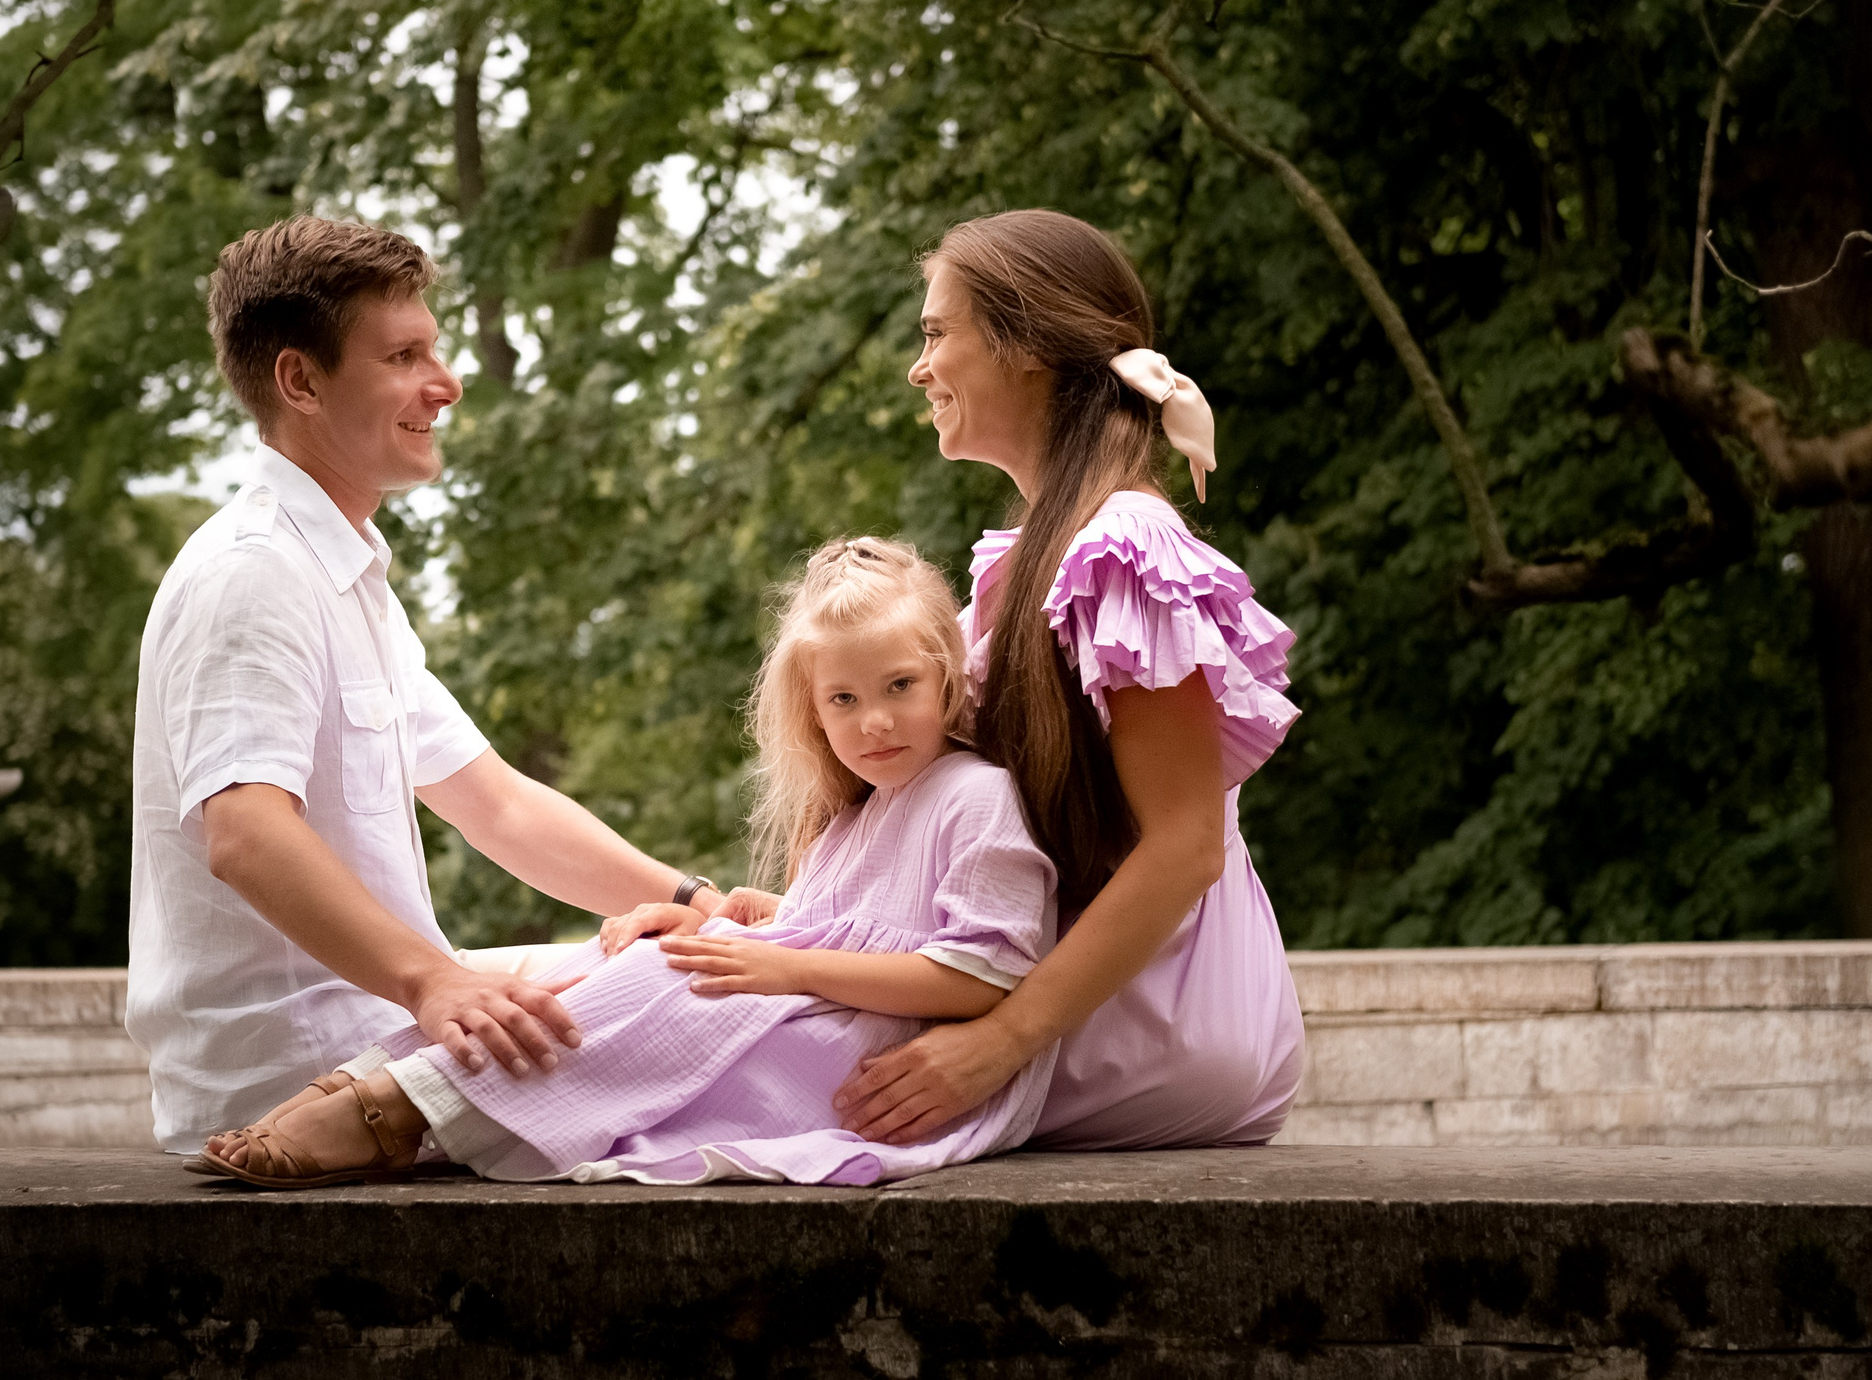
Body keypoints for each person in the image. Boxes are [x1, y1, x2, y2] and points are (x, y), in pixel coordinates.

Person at [128, 215, 737, 1153]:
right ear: (301, 380)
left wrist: (699, 901)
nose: (445, 385)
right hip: (298, 1068)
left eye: (435, 349)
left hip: (381, 1023)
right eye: (406, 355)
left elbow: (497, 806)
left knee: (699, 955)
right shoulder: (251, 575)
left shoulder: (346, 575)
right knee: (712, 994)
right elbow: (245, 832)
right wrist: (432, 982)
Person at [195, 536, 1059, 1188]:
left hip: (876, 1063)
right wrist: (720, 919)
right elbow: (816, 931)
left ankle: (407, 1110)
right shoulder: (856, 816)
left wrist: (775, 961)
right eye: (844, 698)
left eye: (899, 686)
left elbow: (980, 978)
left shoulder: (974, 795)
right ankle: (376, 1082)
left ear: (946, 674)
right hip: (813, 1019)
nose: (874, 721)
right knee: (614, 958)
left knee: (665, 977)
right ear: (814, 709)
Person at [828, 209, 1306, 1148]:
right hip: (1080, 1009)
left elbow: (1184, 847)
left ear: (1030, 346)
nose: (918, 369)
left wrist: (999, 1040)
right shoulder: (1041, 557)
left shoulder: (1123, 547)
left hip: (1146, 1025)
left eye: (935, 333)